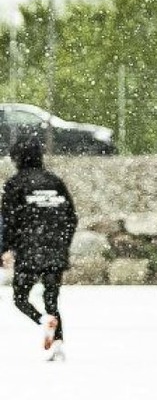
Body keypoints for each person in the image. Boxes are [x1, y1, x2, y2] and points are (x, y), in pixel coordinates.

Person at [1, 134, 78, 361]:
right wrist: (63, 243)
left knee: (21, 298)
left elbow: (8, 221)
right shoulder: (55, 182)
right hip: (55, 249)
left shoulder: (15, 184)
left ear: (17, 158)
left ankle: (43, 321)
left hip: (29, 250)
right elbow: (71, 217)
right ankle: (58, 345)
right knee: (52, 299)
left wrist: (5, 248)